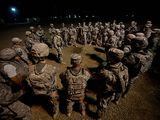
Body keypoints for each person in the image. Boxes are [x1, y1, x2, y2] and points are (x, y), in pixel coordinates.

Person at [28, 43, 59, 118]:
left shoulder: (30, 68)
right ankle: (55, 111)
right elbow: (54, 81)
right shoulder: (52, 68)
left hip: (36, 91)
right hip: (49, 91)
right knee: (55, 99)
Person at [96, 48, 128, 120]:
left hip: (106, 90)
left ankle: (99, 116)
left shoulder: (107, 72)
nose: (107, 56)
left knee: (102, 103)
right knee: (107, 99)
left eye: (109, 56)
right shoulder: (122, 66)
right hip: (114, 89)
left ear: (113, 58)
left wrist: (102, 67)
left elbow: (99, 74)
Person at [0, 48, 31, 120]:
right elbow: (16, 80)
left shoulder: (2, 63)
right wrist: (22, 81)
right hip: (4, 94)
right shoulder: (8, 67)